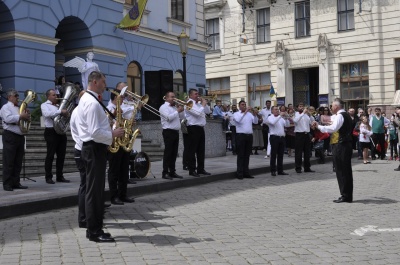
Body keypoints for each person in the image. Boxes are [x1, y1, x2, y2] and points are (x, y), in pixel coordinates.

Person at [77, 71, 124, 243]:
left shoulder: (91, 100)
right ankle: (94, 231)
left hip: (94, 148)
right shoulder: (91, 102)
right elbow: (94, 132)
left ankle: (95, 229)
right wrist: (113, 134)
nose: (105, 85)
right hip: (93, 148)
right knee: (94, 192)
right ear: (95, 82)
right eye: (103, 82)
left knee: (95, 191)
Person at [313, 98, 353, 203]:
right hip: (347, 143)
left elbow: (333, 128)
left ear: (336, 106)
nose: (331, 108)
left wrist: (319, 127)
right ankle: (347, 194)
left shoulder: (340, 115)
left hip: (342, 145)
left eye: (332, 106)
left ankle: (345, 195)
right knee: (346, 170)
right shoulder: (347, 115)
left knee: (341, 170)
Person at [106, 82, 135, 205]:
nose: (123, 100)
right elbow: (109, 125)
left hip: (123, 141)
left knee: (124, 169)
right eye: (122, 98)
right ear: (116, 98)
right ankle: (114, 196)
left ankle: (123, 194)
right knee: (114, 170)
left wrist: (128, 124)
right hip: (114, 143)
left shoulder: (122, 109)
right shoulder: (109, 109)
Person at [0, 90, 30, 191]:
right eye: (15, 96)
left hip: (20, 136)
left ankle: (16, 182)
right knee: (9, 161)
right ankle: (7, 184)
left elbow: (23, 119)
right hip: (10, 135)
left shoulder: (19, 108)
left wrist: (27, 116)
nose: (17, 97)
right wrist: (21, 116)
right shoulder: (5, 107)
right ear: (9, 97)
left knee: (18, 161)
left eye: (17, 96)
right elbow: (8, 119)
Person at [41, 89, 70, 184]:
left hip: (61, 132)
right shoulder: (44, 105)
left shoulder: (58, 106)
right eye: (54, 95)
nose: (56, 96)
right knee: (50, 155)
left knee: (61, 156)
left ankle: (60, 176)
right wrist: (60, 111)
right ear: (48, 96)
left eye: (56, 95)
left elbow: (65, 118)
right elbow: (47, 114)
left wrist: (66, 114)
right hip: (51, 131)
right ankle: (48, 177)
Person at [185, 88, 212, 177]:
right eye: (196, 94)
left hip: (200, 128)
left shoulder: (199, 104)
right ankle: (192, 170)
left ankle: (201, 168)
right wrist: (203, 105)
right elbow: (196, 114)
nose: (198, 95)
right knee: (192, 150)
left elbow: (208, 111)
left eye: (198, 94)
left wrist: (205, 103)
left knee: (201, 150)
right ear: (191, 95)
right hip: (193, 128)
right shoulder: (189, 103)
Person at [159, 91, 184, 180]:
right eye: (172, 97)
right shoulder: (163, 107)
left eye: (174, 96)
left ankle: (172, 171)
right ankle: (165, 172)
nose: (174, 98)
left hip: (175, 132)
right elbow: (168, 118)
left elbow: (182, 117)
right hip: (168, 132)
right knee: (168, 153)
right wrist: (177, 111)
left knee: (174, 153)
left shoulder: (174, 107)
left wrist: (180, 110)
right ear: (166, 98)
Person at [233, 100, 258, 179]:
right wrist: (246, 111)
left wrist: (255, 114)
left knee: (247, 155)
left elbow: (256, 122)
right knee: (240, 155)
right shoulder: (236, 114)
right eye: (242, 104)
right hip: (241, 136)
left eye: (245, 104)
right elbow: (238, 120)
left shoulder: (249, 114)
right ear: (239, 106)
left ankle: (246, 172)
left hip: (249, 136)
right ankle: (239, 173)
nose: (244, 106)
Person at [267, 106, 290, 176]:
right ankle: (273, 170)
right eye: (275, 109)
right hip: (274, 137)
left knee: (280, 155)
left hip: (281, 137)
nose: (277, 110)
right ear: (272, 111)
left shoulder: (281, 118)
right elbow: (273, 123)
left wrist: (286, 118)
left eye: (278, 109)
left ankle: (280, 170)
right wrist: (280, 116)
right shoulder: (270, 117)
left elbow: (287, 125)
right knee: (273, 154)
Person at [293, 102, 314, 173]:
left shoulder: (306, 115)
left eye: (302, 106)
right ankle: (298, 168)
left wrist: (309, 114)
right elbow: (295, 121)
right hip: (299, 134)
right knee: (299, 152)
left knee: (307, 152)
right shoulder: (296, 114)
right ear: (297, 107)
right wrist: (302, 113)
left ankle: (307, 167)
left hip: (306, 134)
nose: (301, 107)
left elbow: (312, 122)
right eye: (300, 106)